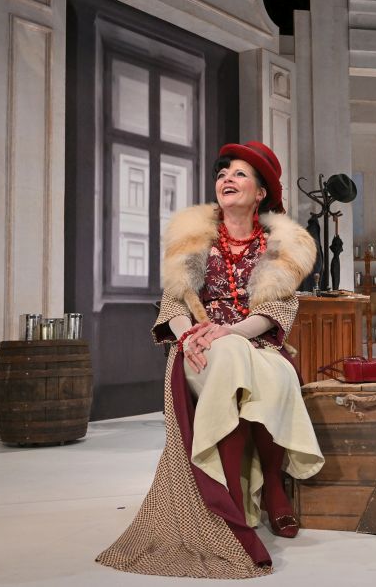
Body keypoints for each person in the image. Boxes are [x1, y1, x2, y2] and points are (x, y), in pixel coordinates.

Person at [97, 141, 323, 578]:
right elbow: (173, 302)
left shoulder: (282, 246)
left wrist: (230, 333)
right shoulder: (193, 237)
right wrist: (190, 338)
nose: (226, 179)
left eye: (239, 173)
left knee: (273, 372)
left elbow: (277, 310)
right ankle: (236, 499)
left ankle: (271, 485)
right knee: (228, 361)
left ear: (261, 192)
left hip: (254, 342)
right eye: (222, 173)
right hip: (198, 350)